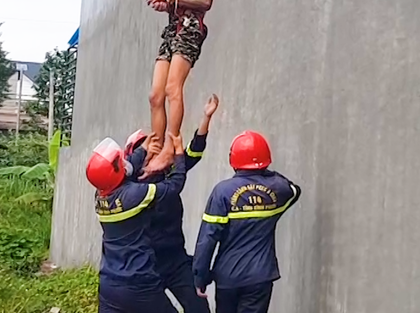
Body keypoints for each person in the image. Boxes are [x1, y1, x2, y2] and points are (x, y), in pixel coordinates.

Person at [124, 94, 220, 313]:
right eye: (148, 147)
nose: (153, 151)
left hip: (175, 259)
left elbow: (194, 152)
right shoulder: (128, 186)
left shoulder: (168, 173)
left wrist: (206, 118)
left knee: (199, 307)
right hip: (146, 266)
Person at [144, 0, 226, 173]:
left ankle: (171, 144)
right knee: (155, 94)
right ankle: (155, 145)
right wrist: (165, 4)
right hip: (172, 29)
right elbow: (175, 3)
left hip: (191, 29)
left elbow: (205, 2)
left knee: (172, 88)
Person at [192, 131, 302, 313]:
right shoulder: (277, 189)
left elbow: (207, 239)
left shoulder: (222, 192)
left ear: (233, 159)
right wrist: (266, 174)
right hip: (260, 277)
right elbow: (294, 190)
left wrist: (200, 277)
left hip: (228, 277)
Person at [87, 131, 187, 313]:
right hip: (139, 284)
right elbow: (174, 185)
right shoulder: (134, 195)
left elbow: (126, 168)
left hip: (109, 285)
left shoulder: (100, 195)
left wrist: (143, 148)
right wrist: (179, 154)